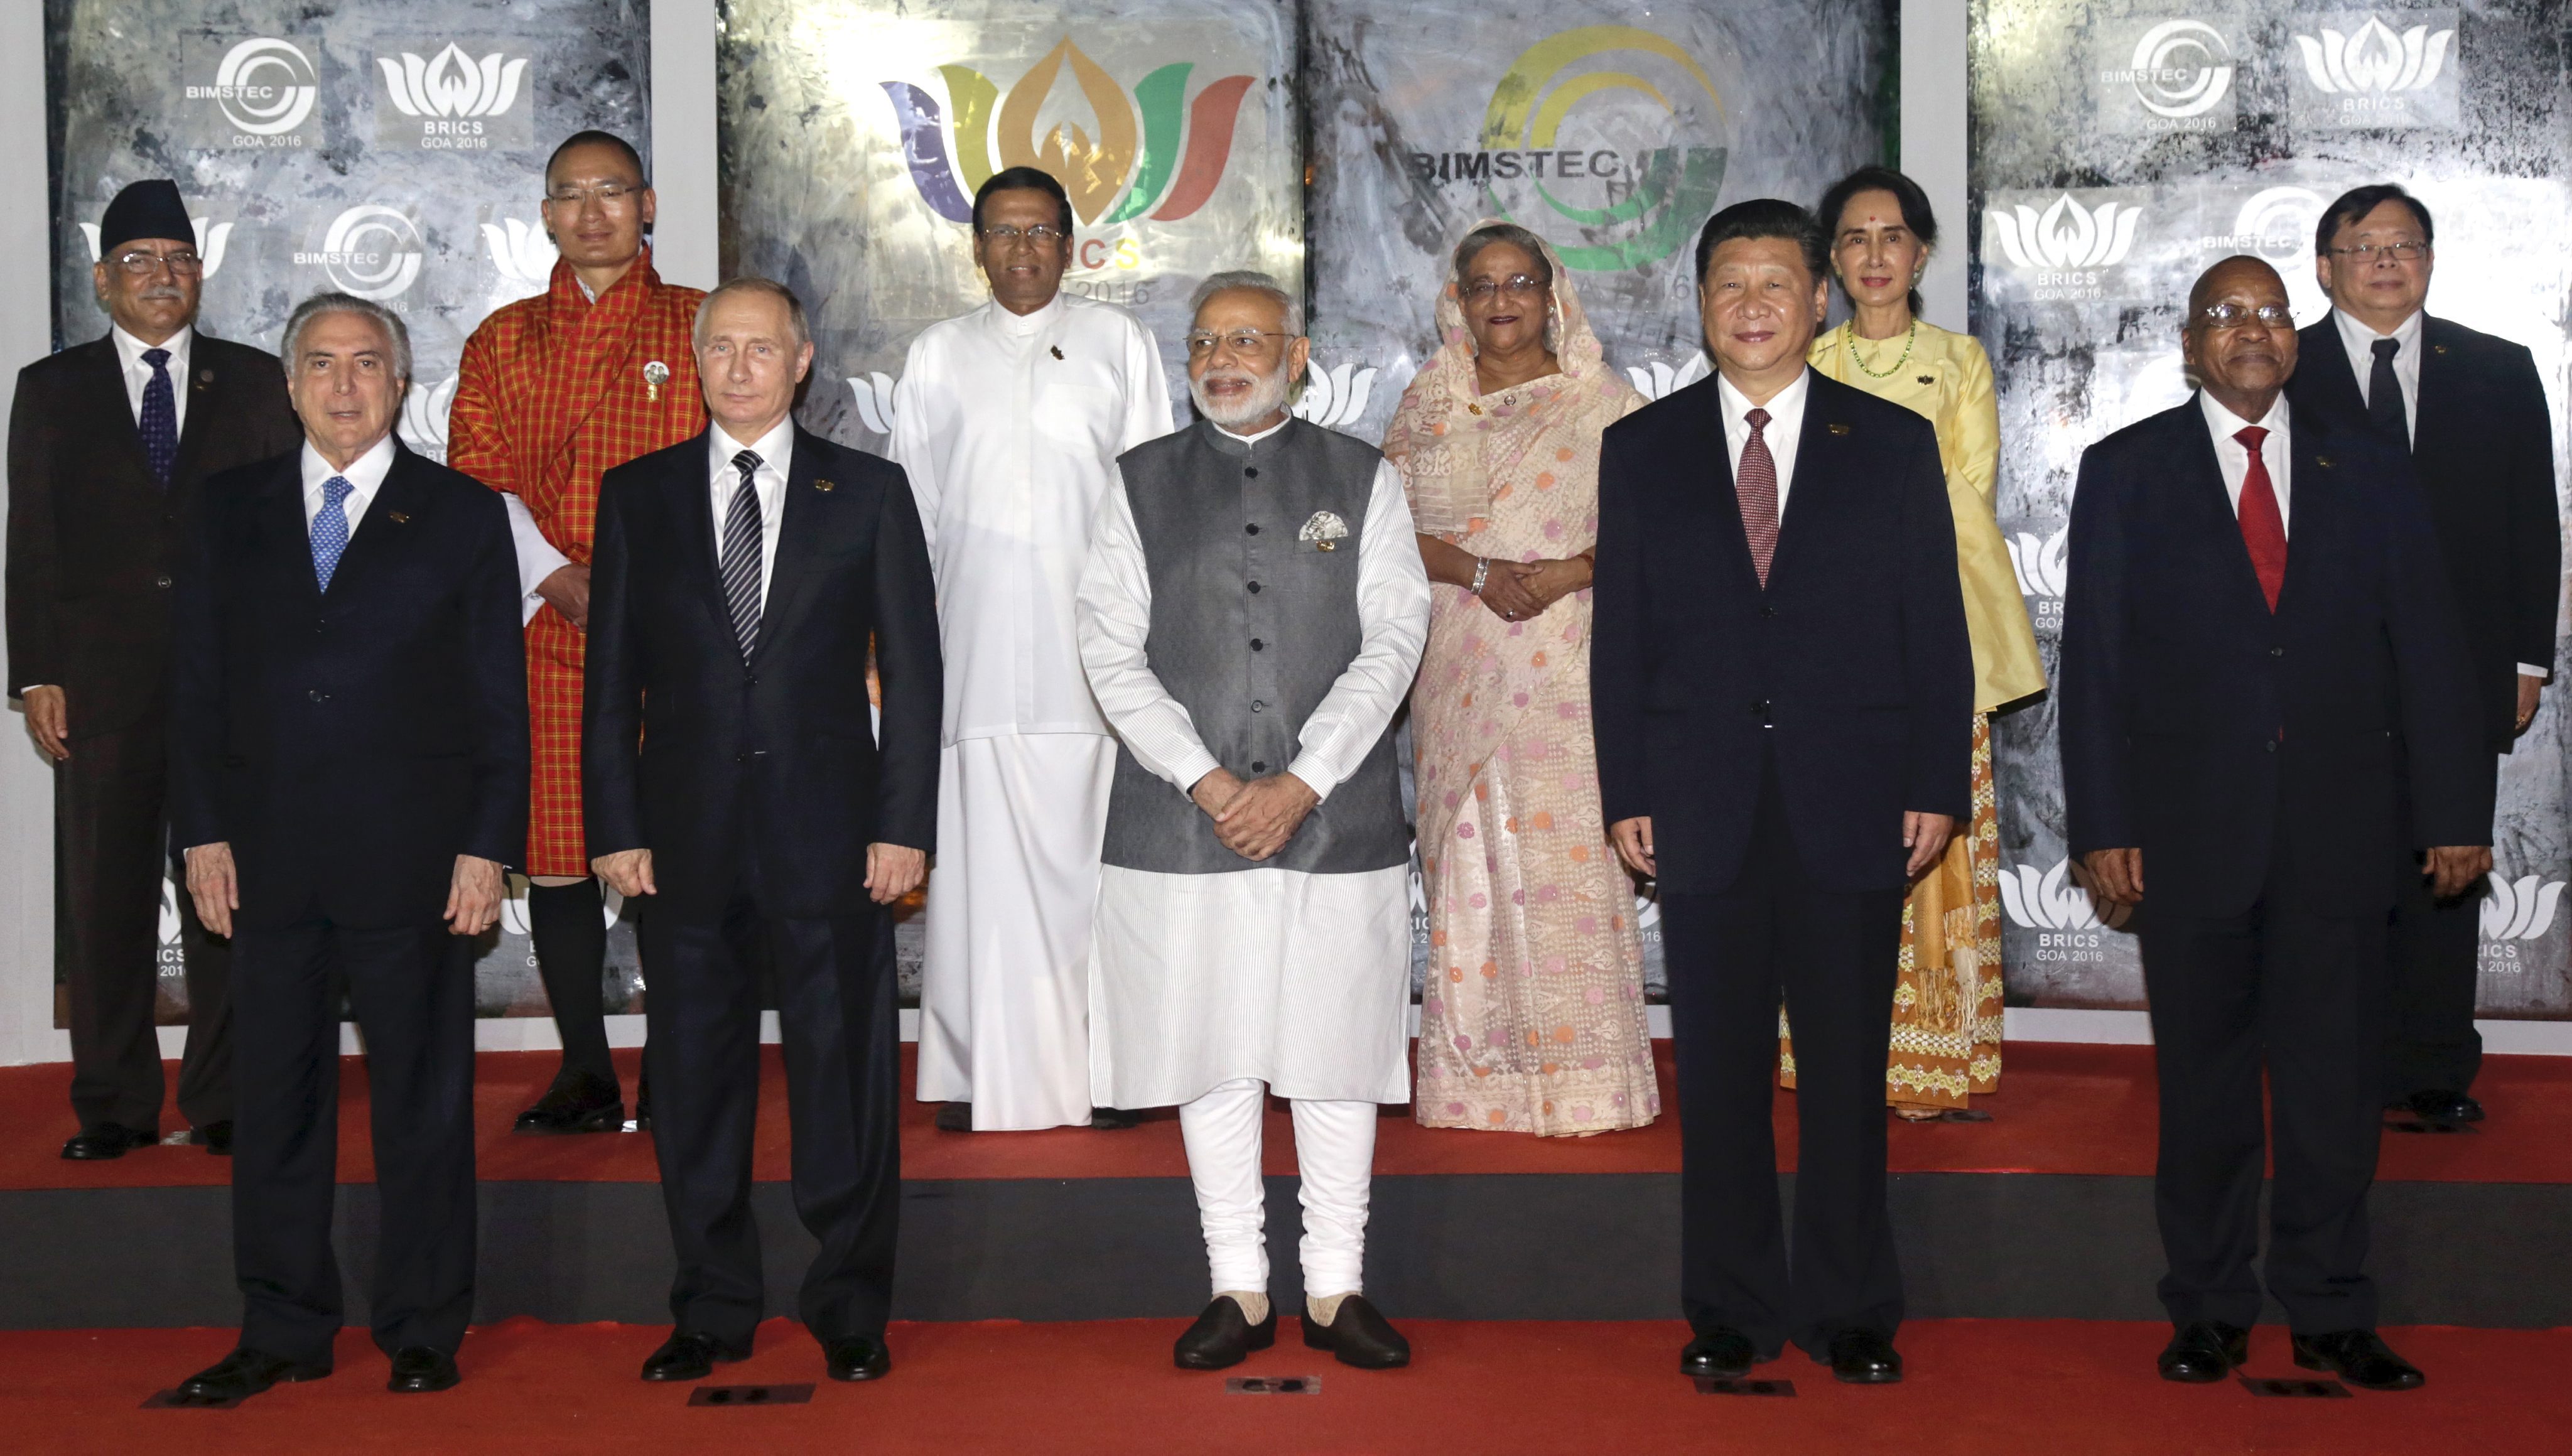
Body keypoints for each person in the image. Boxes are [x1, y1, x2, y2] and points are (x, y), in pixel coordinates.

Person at [2059, 256, 2486, 1391]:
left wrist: (2454, 807)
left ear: (2296, 336)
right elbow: (2095, 664)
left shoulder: (2371, 466)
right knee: (2203, 1091)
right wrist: (2102, 822)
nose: (2251, 329)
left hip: (2344, 833)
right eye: (2225, 314)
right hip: (2189, 835)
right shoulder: (2127, 469)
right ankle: (2207, 1308)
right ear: (2189, 343)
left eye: (2270, 312)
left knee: (2334, 1091)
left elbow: (2430, 647)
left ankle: (2332, 1308)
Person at [1592, 200, 1972, 1385]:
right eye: (1729, 283)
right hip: (1698, 801)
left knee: (1848, 1075)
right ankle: (1730, 1311)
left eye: (1775, 283)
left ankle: (1852, 1310)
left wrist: (1934, 780)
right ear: (1701, 302)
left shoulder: (1892, 441)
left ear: (1818, 299)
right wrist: (1627, 788)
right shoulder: (1644, 447)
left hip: (1853, 798)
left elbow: (1936, 625)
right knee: (1717, 1079)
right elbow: (1621, 638)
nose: (1751, 305)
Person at [167, 293, 527, 1399]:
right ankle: (281, 1326)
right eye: (319, 364)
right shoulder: (225, 508)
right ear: (289, 385)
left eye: (366, 363)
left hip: (416, 861)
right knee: (274, 1105)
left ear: (401, 383)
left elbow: (497, 699)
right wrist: (202, 832)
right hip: (265, 857)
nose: (342, 384)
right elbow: (195, 688)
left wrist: (486, 845)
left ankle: (423, 1325)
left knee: (423, 1101)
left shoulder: (461, 513)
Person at [584, 278, 941, 1385]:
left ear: (802, 360)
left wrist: (903, 825)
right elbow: (610, 683)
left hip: (833, 837)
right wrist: (616, 823)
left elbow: (916, 674)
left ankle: (849, 1305)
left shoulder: (869, 492)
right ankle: (712, 1306)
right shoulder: (637, 494)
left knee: (844, 1080)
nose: (739, 367)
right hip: (681, 841)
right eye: (720, 349)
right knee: (694, 1086)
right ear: (696, 361)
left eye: (761, 348)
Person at [1076, 272, 1429, 1371]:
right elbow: (1108, 649)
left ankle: (1336, 1288)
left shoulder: (1365, 478)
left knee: (1334, 1052)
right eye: (1204, 342)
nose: (1222, 359)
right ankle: (1237, 1285)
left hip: (1337, 818)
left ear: (1298, 354)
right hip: (1183, 823)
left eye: (1246, 339)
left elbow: (1395, 639)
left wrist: (1305, 780)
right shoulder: (1138, 483)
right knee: (1210, 1049)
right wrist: (1209, 782)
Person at [6, 180, 300, 1160]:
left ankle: (224, 1099)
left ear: (200, 276)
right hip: (100, 687)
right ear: (102, 281)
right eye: (138, 261)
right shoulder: (52, 390)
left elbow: (289, 532)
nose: (160, 276)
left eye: (177, 260)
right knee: (105, 903)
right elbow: (32, 538)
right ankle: (114, 1105)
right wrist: (37, 671)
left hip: (233, 686)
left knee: (227, 893)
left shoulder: (254, 381)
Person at [894, 166, 1172, 1133]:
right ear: (976, 247)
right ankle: (979, 1073)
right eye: (1004, 232)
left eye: (1041, 231)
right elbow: (912, 517)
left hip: (1094, 659)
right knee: (978, 872)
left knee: (1092, 868)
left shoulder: (1119, 344)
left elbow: (1151, 504)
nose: (1023, 249)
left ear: (1069, 243)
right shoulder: (937, 354)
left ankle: (1105, 1072)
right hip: (970, 655)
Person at [448, 129, 708, 1135]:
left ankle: (678, 1064)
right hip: (546, 621)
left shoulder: (700, 324)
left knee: (672, 848)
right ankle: (586, 1069)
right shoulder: (502, 340)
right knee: (556, 850)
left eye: (613, 191)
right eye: (571, 194)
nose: (593, 212)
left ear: (648, 206)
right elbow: (477, 480)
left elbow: (735, 455)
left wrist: (656, 591)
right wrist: (555, 576)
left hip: (677, 630)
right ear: (547, 214)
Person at [2285, 183, 2561, 1128]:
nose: (2386, 261)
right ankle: (2336, 1062)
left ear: (2431, 262)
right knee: (2332, 874)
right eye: (2364, 246)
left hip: (2460, 668)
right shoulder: (2282, 368)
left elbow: (2532, 523)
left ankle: (2437, 1066)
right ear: (2326, 268)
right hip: (2321, 674)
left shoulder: (2496, 369)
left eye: (2404, 244)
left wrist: (2527, 660)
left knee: (2448, 867)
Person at [1385, 220, 1656, 1136]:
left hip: (1569, 664)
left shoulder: (1607, 405)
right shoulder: (1431, 405)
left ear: (1553, 294)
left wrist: (1570, 572)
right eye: (1483, 285)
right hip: (1459, 661)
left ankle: (1589, 1083)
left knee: (1567, 858)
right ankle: (1478, 1084)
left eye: (1521, 283)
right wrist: (1477, 573)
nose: (1502, 301)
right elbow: (1390, 531)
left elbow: (1660, 534)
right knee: (1468, 860)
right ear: (1457, 302)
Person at [1789, 166, 2046, 1121]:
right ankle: (1831, 1047)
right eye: (1854, 238)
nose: (1874, 255)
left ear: (1922, 252)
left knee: (1932, 844)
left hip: (1936, 634)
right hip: (1821, 652)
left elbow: (1961, 501)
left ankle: (1929, 1059)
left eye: (1891, 236)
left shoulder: (1959, 360)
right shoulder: (1805, 361)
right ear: (1831, 259)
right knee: (1825, 843)